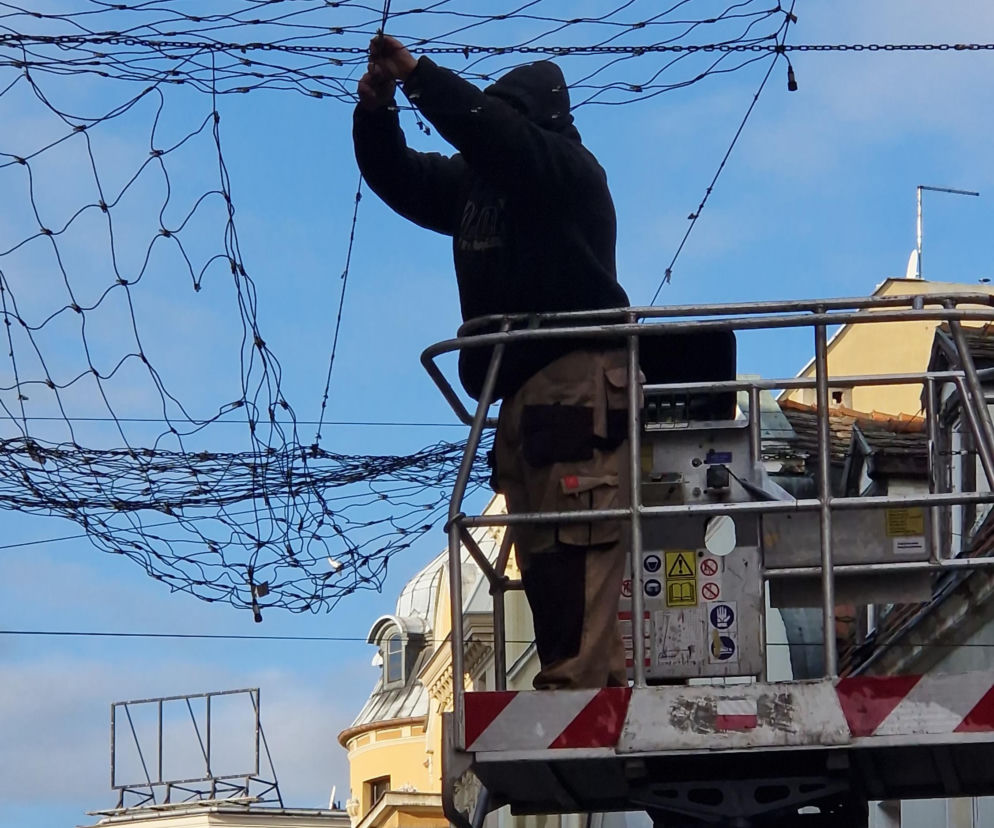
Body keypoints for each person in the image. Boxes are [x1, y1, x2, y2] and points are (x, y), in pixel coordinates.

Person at [353, 36, 636, 689]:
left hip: (575, 379)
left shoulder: (564, 170)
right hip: (523, 394)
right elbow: (404, 176)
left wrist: (418, 78)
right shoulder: (483, 181)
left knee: (578, 533)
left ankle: (583, 679)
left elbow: (497, 138)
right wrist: (376, 115)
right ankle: (570, 674)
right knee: (543, 549)